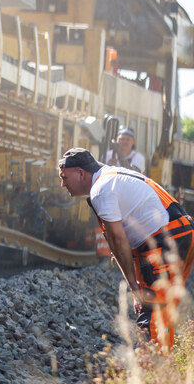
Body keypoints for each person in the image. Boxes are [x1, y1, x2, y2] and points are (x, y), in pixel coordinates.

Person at [57, 147, 194, 349]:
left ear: (80, 173)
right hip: (181, 233)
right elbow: (129, 243)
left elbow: (118, 240)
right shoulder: (111, 176)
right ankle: (166, 369)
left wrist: (134, 288)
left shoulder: (101, 190)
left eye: (64, 177)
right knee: (162, 311)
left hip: (166, 241)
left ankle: (152, 372)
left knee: (152, 312)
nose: (62, 184)